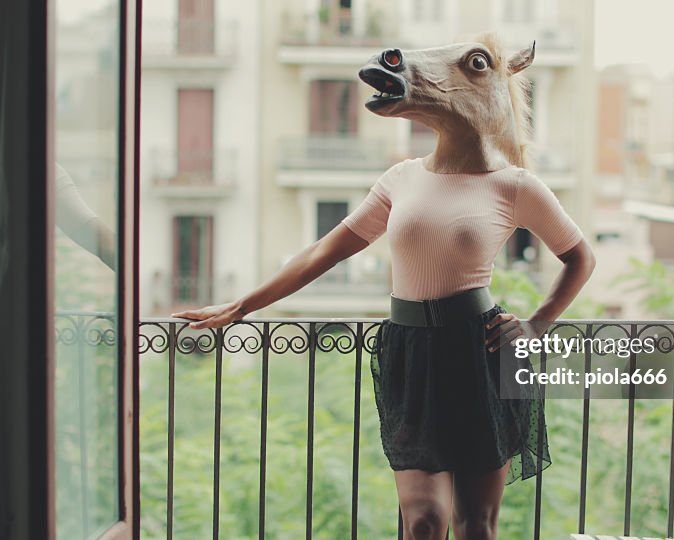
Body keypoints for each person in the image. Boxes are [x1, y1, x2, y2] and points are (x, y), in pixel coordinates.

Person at [174, 35, 595, 540]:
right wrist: (242, 307)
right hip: (410, 352)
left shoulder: (516, 185)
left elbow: (579, 258)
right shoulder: (401, 178)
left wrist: (536, 325)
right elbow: (321, 252)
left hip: (480, 353)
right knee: (422, 522)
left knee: (476, 526)